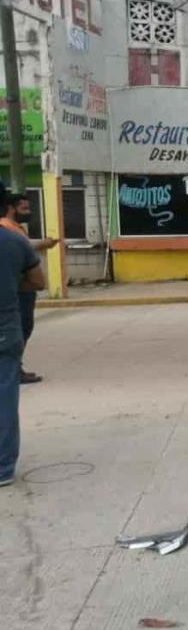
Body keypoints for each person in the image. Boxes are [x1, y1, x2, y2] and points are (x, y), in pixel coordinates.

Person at [0, 182, 46, 486]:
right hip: (6, 326)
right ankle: (3, 467)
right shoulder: (14, 241)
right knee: (4, 394)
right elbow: (37, 281)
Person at [0, 193, 58, 384]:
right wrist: (45, 243)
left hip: (24, 287)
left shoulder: (17, 228)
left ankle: (16, 368)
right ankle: (13, 370)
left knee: (24, 328)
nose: (29, 212)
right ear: (11, 208)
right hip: (19, 288)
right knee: (18, 330)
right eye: (24, 209)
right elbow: (23, 247)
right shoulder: (7, 228)